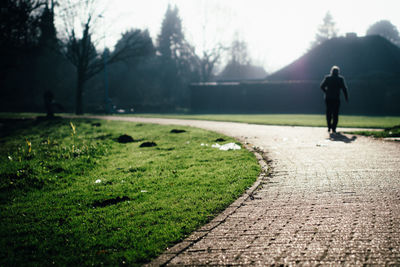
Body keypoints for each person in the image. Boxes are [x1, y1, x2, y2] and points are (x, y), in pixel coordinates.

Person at [320, 66, 349, 133]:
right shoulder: (340, 79)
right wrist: (346, 97)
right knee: (335, 113)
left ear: (331, 71)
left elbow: (322, 86)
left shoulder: (328, 78)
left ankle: (329, 126)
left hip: (328, 98)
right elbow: (344, 89)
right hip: (336, 98)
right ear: (338, 72)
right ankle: (334, 128)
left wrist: (326, 92)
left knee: (328, 112)